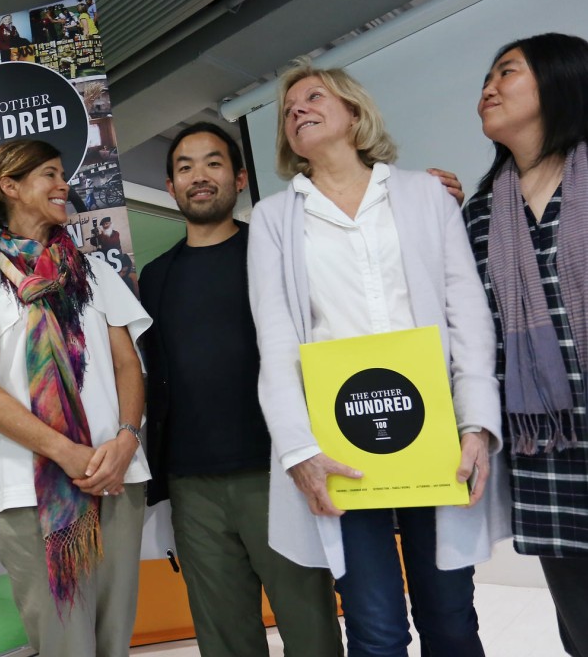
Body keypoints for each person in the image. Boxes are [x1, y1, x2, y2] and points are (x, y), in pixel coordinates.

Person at [248, 60, 509, 657]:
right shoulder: (274, 220)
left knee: (449, 618)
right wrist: (299, 451)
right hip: (337, 441)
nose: (297, 111)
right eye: (288, 111)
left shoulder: (422, 194)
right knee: (374, 628)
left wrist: (476, 424)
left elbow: (466, 315)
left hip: (434, 429)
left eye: (313, 97)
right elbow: (278, 339)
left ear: (354, 113)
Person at [0, 139, 151, 655]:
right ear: (10, 186)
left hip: (116, 478)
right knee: (63, 641)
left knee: (114, 640)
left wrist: (127, 441)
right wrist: (67, 453)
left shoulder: (94, 275)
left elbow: (127, 363)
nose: (63, 184)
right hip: (34, 492)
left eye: (61, 173)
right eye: (49, 174)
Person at [140, 122, 343, 657]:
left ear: (239, 177)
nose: (199, 177)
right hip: (193, 485)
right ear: (170, 187)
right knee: (224, 639)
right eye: (184, 167)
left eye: (213, 163)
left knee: (312, 629)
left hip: (281, 471)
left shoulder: (276, 253)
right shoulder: (154, 277)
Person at [463, 32, 588, 657]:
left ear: (561, 78)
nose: (488, 87)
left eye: (506, 71)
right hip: (551, 451)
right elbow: (472, 332)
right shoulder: (482, 213)